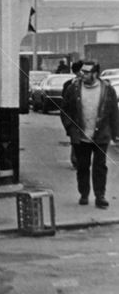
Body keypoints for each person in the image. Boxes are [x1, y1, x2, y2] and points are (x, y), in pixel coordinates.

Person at [60, 59, 119, 208]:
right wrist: (70, 128)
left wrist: (115, 134)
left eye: (86, 72)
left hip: (101, 136)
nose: (82, 74)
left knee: (100, 166)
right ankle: (84, 194)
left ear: (95, 74)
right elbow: (65, 110)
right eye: (82, 71)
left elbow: (114, 113)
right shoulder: (73, 89)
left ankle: (100, 196)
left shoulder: (107, 90)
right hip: (81, 136)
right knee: (82, 166)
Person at [64, 60, 83, 169]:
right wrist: (68, 123)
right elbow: (65, 106)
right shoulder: (69, 85)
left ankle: (81, 161)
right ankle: (76, 161)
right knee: (76, 142)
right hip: (74, 119)